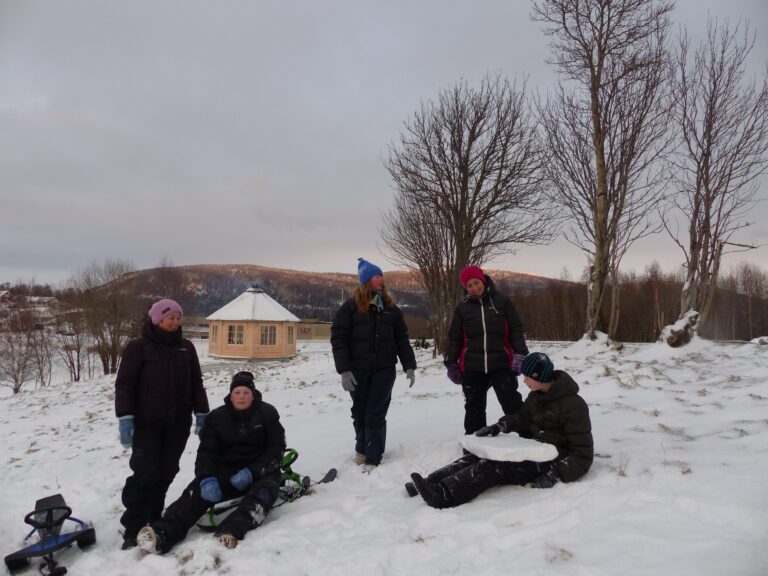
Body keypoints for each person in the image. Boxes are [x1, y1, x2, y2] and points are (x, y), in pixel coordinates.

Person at [409, 352, 593, 509]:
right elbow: (522, 417)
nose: (525, 380)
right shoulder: (537, 396)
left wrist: (556, 474)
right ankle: (430, 482)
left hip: (551, 460)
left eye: (528, 377)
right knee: (476, 456)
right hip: (536, 448)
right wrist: (500, 426)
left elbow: (583, 455)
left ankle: (444, 496)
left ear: (540, 377)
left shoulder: (574, 406)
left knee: (494, 466)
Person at [137, 371, 286, 553]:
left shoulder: (267, 413)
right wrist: (206, 477)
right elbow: (207, 452)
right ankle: (162, 533)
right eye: (237, 392)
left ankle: (230, 530)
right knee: (195, 493)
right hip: (228, 470)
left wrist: (253, 472)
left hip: (260, 471)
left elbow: (276, 449)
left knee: (261, 496)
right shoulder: (217, 417)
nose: (241, 397)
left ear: (253, 395)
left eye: (246, 393)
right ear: (230, 396)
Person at [114, 298, 210, 550]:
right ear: (157, 319)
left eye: (178, 318)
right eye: (171, 318)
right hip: (147, 424)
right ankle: (133, 525)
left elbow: (196, 384)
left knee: (167, 471)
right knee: (145, 473)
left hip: (177, 423)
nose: (175, 322)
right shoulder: (139, 347)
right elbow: (125, 384)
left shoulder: (186, 348)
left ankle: (154, 517)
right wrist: (125, 417)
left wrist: (202, 413)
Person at [331, 257, 417, 472]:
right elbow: (338, 339)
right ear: (367, 280)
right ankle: (362, 449)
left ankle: (373, 457)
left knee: (374, 413)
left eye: (382, 276)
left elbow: (402, 339)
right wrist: (344, 370)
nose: (381, 279)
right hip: (357, 371)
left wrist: (409, 365)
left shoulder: (391, 309)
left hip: (384, 370)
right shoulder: (350, 308)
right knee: (359, 411)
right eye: (377, 276)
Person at [444, 265, 529, 434]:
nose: (475, 288)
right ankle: (473, 446)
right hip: (472, 366)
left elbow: (516, 330)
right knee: (474, 406)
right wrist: (451, 364)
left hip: (501, 363)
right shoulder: (462, 308)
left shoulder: (502, 301)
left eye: (476, 282)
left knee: (511, 401)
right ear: (465, 288)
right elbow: (455, 339)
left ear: (483, 280)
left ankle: (530, 437)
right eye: (469, 285)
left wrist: (520, 354)